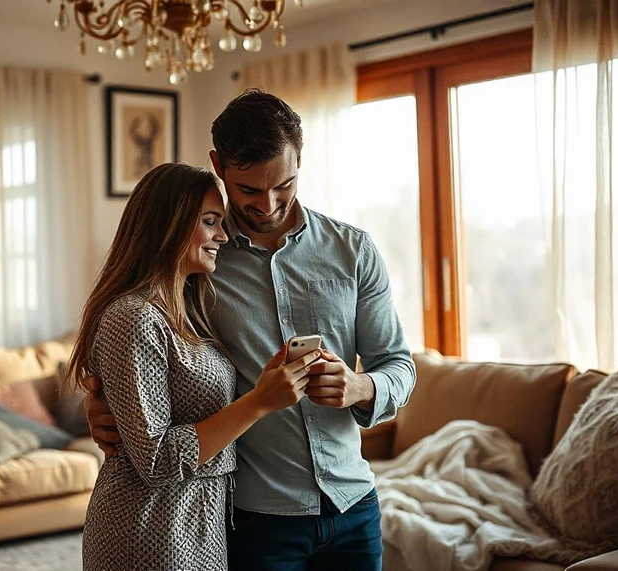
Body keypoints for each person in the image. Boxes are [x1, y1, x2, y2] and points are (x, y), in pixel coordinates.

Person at [84, 89, 418, 571]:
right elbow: (139, 335)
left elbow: (399, 366)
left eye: (284, 184)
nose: (267, 204)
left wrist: (362, 386)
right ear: (219, 166)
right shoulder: (200, 258)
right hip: (254, 519)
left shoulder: (354, 251)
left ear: (300, 161)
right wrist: (99, 402)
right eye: (248, 190)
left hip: (354, 506)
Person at [65, 162, 324, 571]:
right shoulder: (133, 317)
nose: (223, 235)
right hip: (150, 529)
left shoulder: (187, 312)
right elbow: (157, 460)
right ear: (168, 225)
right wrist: (259, 401)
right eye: (209, 222)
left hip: (197, 523)